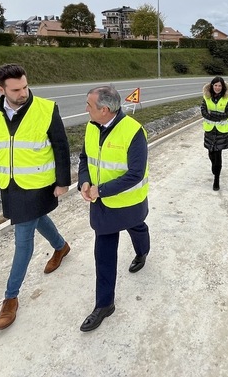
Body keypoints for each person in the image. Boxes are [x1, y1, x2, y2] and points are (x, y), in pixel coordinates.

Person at [0, 63, 71, 331]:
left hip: (39, 183)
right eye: (16, 89)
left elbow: (61, 146)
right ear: (1, 90)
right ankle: (61, 246)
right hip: (11, 184)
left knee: (23, 238)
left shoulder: (46, 108)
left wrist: (63, 181)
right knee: (36, 218)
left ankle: (10, 298)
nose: (23, 93)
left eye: (25, 86)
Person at [78, 85, 150, 332]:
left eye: (89, 105)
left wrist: (102, 189)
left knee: (137, 228)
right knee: (104, 253)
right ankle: (104, 304)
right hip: (103, 207)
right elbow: (85, 158)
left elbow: (136, 173)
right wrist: (85, 181)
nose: (85, 109)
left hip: (128, 203)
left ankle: (142, 252)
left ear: (104, 109)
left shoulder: (133, 131)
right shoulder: (90, 126)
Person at [201, 76, 228, 191]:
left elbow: (226, 114)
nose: (217, 88)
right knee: (210, 152)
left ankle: (216, 179)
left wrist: (212, 115)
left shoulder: (227, 98)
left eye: (220, 85)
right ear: (212, 86)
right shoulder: (206, 97)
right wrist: (215, 116)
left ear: (223, 87)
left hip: (221, 131)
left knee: (217, 154)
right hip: (210, 130)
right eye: (215, 85)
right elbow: (203, 112)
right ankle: (214, 167)